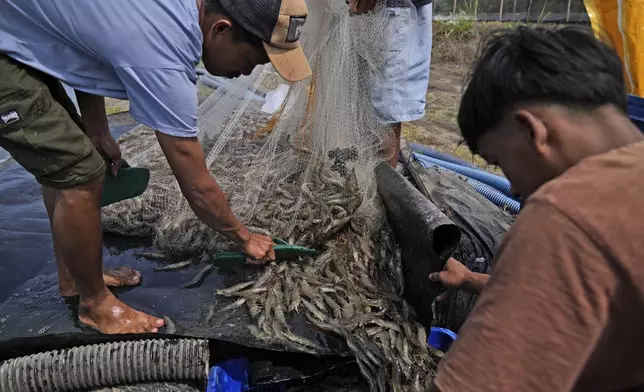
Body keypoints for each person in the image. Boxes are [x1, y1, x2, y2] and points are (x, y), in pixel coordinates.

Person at [0, 0, 312, 334]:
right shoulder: (163, 55)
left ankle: (75, 281)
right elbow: (196, 184)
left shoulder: (173, 11)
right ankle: (95, 306)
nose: (247, 73)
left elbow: (90, 46)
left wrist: (98, 129)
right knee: (79, 173)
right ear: (221, 28)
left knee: (70, 161)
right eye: (251, 61)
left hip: (20, 31)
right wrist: (243, 237)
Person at [430, 26, 644, 392]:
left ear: (532, 130)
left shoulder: (568, 214)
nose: (512, 187)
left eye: (498, 161)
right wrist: (471, 281)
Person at [350, 0, 433, 167]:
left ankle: (378, 188)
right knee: (351, 108)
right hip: (354, 15)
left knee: (383, 118)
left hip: (392, 16)